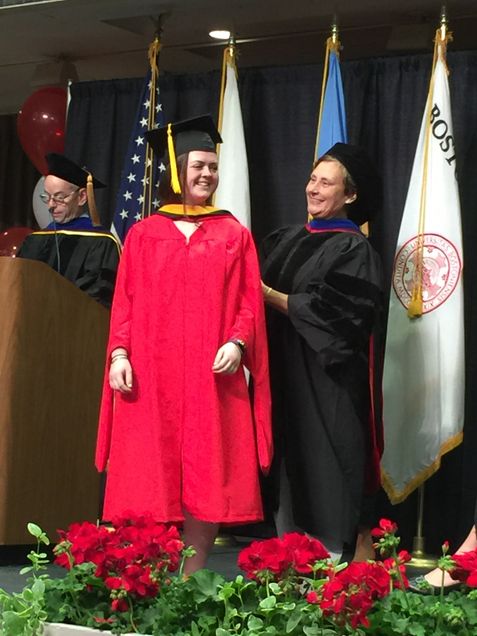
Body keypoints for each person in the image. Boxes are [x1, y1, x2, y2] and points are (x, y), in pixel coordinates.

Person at [95, 115, 272, 574]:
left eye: (213, 167)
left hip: (211, 373)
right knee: (151, 470)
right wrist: (119, 353)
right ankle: (150, 574)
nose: (207, 175)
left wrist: (237, 341)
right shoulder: (144, 234)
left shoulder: (233, 234)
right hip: (153, 373)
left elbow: (249, 302)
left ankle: (191, 576)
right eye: (198, 166)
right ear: (175, 170)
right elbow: (125, 302)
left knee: (208, 471)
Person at [260, 143, 384, 560]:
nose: (313, 188)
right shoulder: (285, 238)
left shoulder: (355, 252)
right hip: (280, 375)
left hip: (325, 383)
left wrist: (269, 295)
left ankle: (329, 564)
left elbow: (337, 320)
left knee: (323, 467)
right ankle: (286, 563)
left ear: (350, 195)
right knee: (284, 471)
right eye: (312, 178)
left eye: (325, 182)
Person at [18, 153, 120, 308]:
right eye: (47, 197)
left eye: (59, 197)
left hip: (77, 328)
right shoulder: (34, 241)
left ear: (82, 197)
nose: (51, 205)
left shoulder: (102, 244)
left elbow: (98, 299)